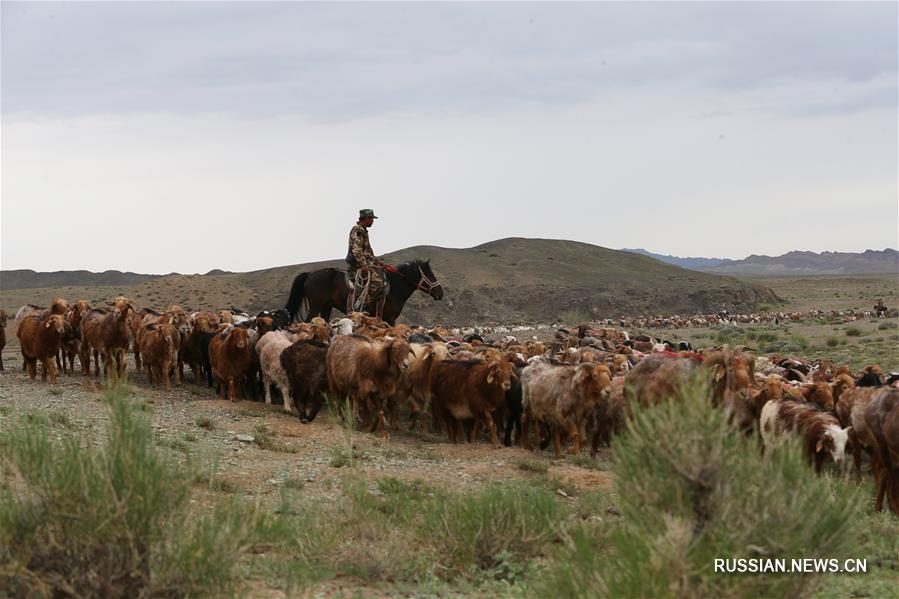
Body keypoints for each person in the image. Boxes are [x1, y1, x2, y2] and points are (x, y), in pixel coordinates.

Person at [346, 209, 386, 313]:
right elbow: (357, 250)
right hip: (358, 264)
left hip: (365, 261)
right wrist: (363, 265)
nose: (373, 221)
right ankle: (362, 305)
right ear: (367, 218)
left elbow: (367, 252)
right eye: (372, 219)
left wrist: (377, 262)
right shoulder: (358, 230)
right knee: (378, 283)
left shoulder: (363, 231)